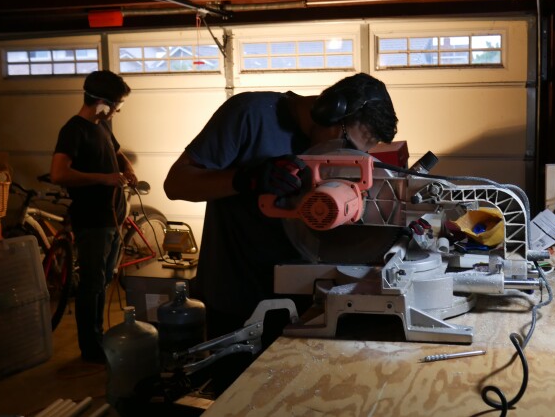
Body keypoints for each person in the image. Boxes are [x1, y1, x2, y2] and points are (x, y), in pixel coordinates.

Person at [163, 73, 398, 380]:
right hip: (238, 296)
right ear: (329, 110)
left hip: (301, 294)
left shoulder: (324, 144)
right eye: (346, 144)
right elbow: (176, 183)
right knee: (235, 398)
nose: (345, 157)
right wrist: (245, 179)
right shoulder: (249, 113)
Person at [50, 70, 138, 364]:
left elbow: (116, 150)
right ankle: (91, 346)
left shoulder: (103, 124)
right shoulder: (73, 130)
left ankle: (99, 337)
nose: (117, 110)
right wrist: (104, 178)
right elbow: (59, 173)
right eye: (116, 105)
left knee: (103, 283)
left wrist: (127, 169)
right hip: (93, 223)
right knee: (92, 285)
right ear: (101, 103)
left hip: (112, 220)